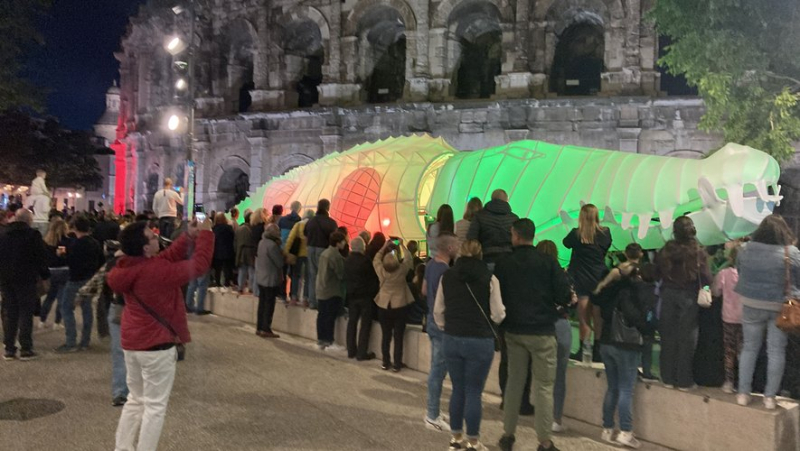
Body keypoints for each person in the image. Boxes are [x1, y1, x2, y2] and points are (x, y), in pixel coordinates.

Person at [107, 218, 213, 451]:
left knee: (135, 400)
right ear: (145, 248)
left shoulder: (129, 265)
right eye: (153, 236)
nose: (157, 236)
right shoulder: (154, 271)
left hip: (132, 344)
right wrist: (206, 235)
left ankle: (123, 448)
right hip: (156, 346)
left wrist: (190, 236)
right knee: (155, 407)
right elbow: (199, 265)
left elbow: (167, 257)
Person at [495, 219, 570, 451]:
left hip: (514, 331)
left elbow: (497, 297)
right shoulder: (547, 262)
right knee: (544, 387)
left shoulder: (504, 263)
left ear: (516, 235)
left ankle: (508, 435)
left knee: (514, 384)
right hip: (542, 332)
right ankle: (544, 442)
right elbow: (564, 295)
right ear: (532, 235)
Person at [434, 239, 505, 451]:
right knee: (474, 391)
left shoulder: (447, 276)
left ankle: (455, 439)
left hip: (452, 338)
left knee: (457, 389)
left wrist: (447, 326)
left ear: (461, 254)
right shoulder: (490, 279)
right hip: (479, 340)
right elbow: (498, 313)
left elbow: (438, 310)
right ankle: (473, 441)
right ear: (480, 254)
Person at [734, 214, 797, 410]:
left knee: (749, 348)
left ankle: (743, 393)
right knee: (776, 351)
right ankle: (769, 397)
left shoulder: (744, 250)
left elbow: (739, 271)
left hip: (751, 304)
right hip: (780, 307)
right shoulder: (791, 252)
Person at [655, 216, 711, 390]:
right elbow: (707, 277)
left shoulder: (665, 250)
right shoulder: (698, 252)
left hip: (668, 295)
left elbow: (657, 272)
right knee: (686, 340)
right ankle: (684, 380)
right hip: (688, 296)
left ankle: (667, 378)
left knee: (668, 337)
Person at [593, 266, 648, 449]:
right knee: (626, 389)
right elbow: (634, 317)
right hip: (625, 345)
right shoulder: (629, 291)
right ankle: (625, 432)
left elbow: (596, 300)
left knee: (612, 388)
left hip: (606, 343)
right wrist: (644, 326)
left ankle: (607, 429)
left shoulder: (607, 290)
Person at [563, 203, 612, 362]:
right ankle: (598, 352)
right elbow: (605, 248)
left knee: (584, 316)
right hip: (599, 277)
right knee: (598, 316)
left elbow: (565, 243)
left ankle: (583, 349)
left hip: (581, 277)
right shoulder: (605, 233)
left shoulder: (576, 234)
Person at [535, 239, 575, 434]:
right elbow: (571, 299)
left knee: (543, 377)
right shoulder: (562, 274)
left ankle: (542, 417)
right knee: (559, 376)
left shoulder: (532, 277)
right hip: (561, 325)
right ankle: (556, 418)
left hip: (541, 326)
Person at [0, 209, 49, 361]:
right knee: (25, 313)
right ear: (29, 220)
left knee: (10, 313)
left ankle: (9, 349)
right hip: (26, 278)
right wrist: (45, 275)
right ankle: (26, 348)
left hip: (6, 279)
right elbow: (41, 257)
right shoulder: (33, 235)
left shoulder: (3, 234)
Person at [422, 232, 459, 432]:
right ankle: (432, 414)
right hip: (442, 324)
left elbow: (424, 291)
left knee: (437, 369)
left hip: (431, 321)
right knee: (438, 371)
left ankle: (434, 410)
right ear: (450, 248)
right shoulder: (446, 272)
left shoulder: (429, 265)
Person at [55, 215, 105, 353]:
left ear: (75, 228)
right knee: (86, 309)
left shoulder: (75, 244)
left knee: (66, 308)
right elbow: (101, 261)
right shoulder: (94, 243)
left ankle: (71, 341)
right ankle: (85, 341)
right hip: (89, 279)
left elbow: (71, 262)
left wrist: (63, 255)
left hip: (75, 279)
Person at [373, 238, 415, 371]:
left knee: (386, 336)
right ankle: (397, 363)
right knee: (398, 336)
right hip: (399, 305)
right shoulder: (402, 270)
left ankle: (386, 362)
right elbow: (409, 258)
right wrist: (401, 245)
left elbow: (376, 259)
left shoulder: (381, 271)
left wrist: (384, 246)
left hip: (384, 305)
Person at [711, 243, 743, 393]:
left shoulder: (724, 274)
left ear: (731, 257)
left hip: (728, 317)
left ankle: (729, 382)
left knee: (729, 350)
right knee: (744, 351)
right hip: (746, 319)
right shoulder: (748, 275)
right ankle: (744, 383)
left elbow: (715, 292)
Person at [467, 189, 519, 270]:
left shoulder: (479, 216)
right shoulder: (514, 218)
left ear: (491, 199)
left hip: (486, 260)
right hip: (509, 261)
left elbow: (471, 238)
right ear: (506, 200)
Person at [344, 237, 379, 360]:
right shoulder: (365, 261)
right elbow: (373, 279)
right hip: (365, 296)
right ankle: (361, 352)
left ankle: (351, 350)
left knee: (352, 322)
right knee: (365, 325)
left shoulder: (347, 260)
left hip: (352, 296)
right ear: (362, 247)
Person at [315, 231, 347, 350]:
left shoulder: (325, 253)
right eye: (343, 241)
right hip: (331, 290)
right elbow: (340, 274)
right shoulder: (336, 256)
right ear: (338, 243)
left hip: (321, 288)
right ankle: (328, 340)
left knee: (321, 315)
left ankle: (321, 339)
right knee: (330, 317)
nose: (345, 243)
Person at [305, 199, 338, 309]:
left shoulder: (310, 221)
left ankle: (312, 301)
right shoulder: (331, 222)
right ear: (327, 208)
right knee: (323, 276)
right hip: (323, 250)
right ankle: (321, 301)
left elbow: (305, 233)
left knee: (312, 275)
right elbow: (335, 237)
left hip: (310, 248)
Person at [40, 218, 71, 328]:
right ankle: (57, 322)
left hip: (50, 271)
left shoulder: (45, 242)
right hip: (64, 270)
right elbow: (66, 258)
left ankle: (42, 320)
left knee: (49, 297)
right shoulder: (67, 241)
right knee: (61, 298)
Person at [254, 224, 284, 338]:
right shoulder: (272, 246)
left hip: (261, 277)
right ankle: (266, 328)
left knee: (262, 304)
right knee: (269, 304)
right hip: (270, 279)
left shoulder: (261, 242)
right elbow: (279, 263)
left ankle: (259, 327)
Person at [285, 209, 314, 306]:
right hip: (310, 254)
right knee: (308, 277)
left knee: (295, 276)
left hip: (298, 255)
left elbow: (291, 238)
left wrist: (286, 251)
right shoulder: (313, 226)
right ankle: (306, 298)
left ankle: (294, 297)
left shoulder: (298, 224)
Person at [211, 213, 235, 288]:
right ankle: (227, 283)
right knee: (227, 268)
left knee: (218, 269)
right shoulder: (229, 228)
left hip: (217, 251)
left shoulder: (214, 229)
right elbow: (232, 239)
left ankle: (217, 283)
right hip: (227, 251)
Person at [235, 211, 256, 294]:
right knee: (251, 271)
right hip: (251, 252)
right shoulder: (252, 229)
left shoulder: (239, 228)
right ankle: (251, 288)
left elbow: (235, 241)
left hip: (241, 252)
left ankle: (240, 287)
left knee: (242, 271)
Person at [29, 169, 52, 236]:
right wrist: (47, 194)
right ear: (42, 174)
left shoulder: (34, 181)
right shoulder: (44, 198)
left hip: (33, 220)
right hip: (42, 220)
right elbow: (45, 209)